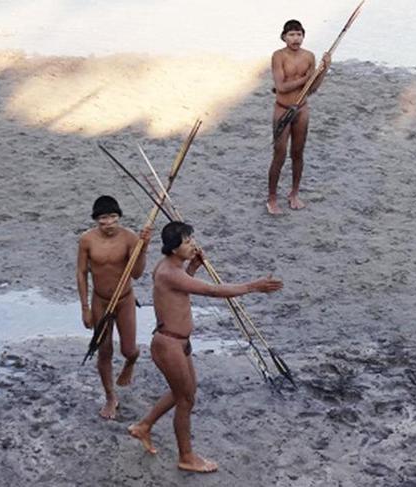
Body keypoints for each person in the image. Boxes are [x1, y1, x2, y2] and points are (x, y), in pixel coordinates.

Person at [128, 221, 283, 473]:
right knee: (185, 399)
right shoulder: (168, 271)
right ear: (173, 247)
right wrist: (253, 287)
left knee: (186, 393)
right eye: (187, 242)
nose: (193, 245)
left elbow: (180, 287)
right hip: (168, 345)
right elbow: (212, 291)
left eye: (192, 240)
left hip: (179, 343)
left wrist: (193, 267)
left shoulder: (172, 268)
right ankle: (186, 457)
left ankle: (144, 426)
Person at [77, 195, 152, 419]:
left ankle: (131, 361)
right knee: (104, 351)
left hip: (125, 299)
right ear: (96, 220)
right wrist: (85, 308)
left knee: (128, 349)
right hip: (100, 301)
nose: (108, 223)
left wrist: (144, 247)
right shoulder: (87, 240)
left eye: (112, 218)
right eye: (103, 219)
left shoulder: (129, 238)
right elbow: (81, 273)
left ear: (118, 217)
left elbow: (137, 274)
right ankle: (111, 397)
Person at [267, 19, 332, 214]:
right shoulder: (278, 56)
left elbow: (312, 88)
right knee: (279, 154)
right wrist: (307, 77)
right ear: (284, 37)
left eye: (299, 34)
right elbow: (281, 86)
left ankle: (294, 193)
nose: (296, 39)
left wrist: (324, 69)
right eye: (292, 35)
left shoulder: (309, 57)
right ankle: (272, 197)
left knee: (297, 152)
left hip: (302, 109)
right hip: (283, 108)